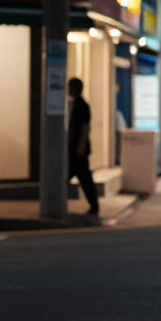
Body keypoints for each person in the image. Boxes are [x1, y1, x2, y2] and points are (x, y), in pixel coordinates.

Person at [67, 78, 99, 218]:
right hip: (75, 149)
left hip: (78, 150)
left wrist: (80, 147)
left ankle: (94, 206)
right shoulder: (76, 104)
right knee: (81, 178)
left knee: (84, 179)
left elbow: (85, 127)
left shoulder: (81, 106)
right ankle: (93, 206)